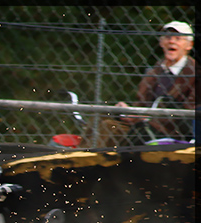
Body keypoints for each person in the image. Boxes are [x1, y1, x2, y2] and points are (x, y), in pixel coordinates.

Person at [81, 20, 196, 148]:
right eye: (168, 37)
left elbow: (188, 114)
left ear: (189, 45)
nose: (172, 41)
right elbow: (141, 104)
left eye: (178, 38)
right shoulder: (154, 71)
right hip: (141, 124)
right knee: (101, 115)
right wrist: (129, 111)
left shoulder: (194, 74)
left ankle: (89, 161)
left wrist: (146, 118)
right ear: (161, 42)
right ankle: (80, 156)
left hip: (166, 130)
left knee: (108, 126)